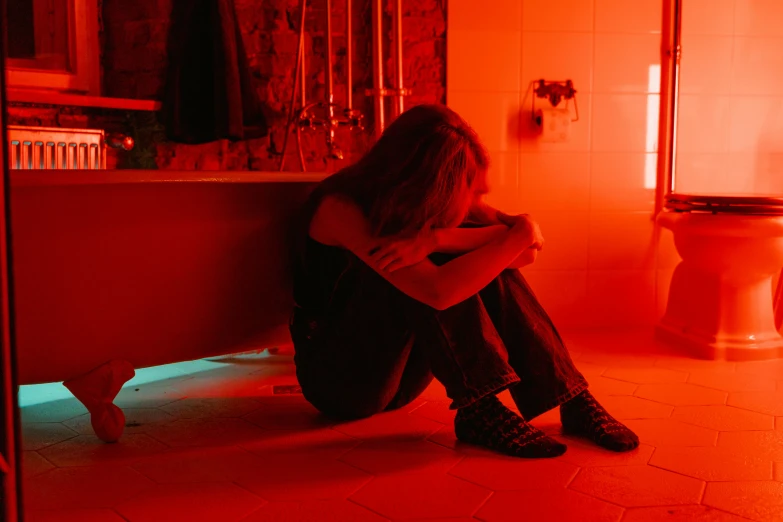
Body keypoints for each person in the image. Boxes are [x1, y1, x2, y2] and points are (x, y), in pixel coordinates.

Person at [289, 104, 639, 458]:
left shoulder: (428, 203)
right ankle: (480, 409)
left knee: (475, 256)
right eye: (473, 192)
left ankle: (572, 398)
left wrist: (440, 239)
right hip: (340, 382)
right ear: (433, 180)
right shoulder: (340, 208)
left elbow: (523, 252)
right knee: (434, 265)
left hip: (402, 378)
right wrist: (516, 232)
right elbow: (437, 291)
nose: (478, 202)